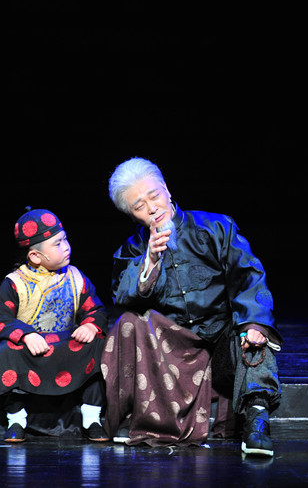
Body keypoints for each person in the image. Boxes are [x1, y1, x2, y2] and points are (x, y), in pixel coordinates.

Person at [101, 157, 281, 456]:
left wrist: (253, 323)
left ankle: (256, 421)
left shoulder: (216, 227)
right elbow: (123, 295)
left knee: (252, 332)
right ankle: (138, 417)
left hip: (221, 338)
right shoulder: (132, 249)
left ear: (167, 189)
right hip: (170, 349)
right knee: (130, 322)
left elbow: (249, 277)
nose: (152, 208)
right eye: (139, 206)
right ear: (131, 214)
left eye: (154, 196)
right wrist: (150, 260)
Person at [0, 208, 109, 443]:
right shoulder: (16, 282)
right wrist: (26, 335)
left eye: (65, 240)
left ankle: (92, 419)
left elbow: (96, 309)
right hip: (31, 350)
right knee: (4, 354)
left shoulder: (76, 277)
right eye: (57, 244)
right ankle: (16, 420)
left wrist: (90, 326)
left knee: (99, 344)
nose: (66, 247)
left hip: (65, 346)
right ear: (35, 256)